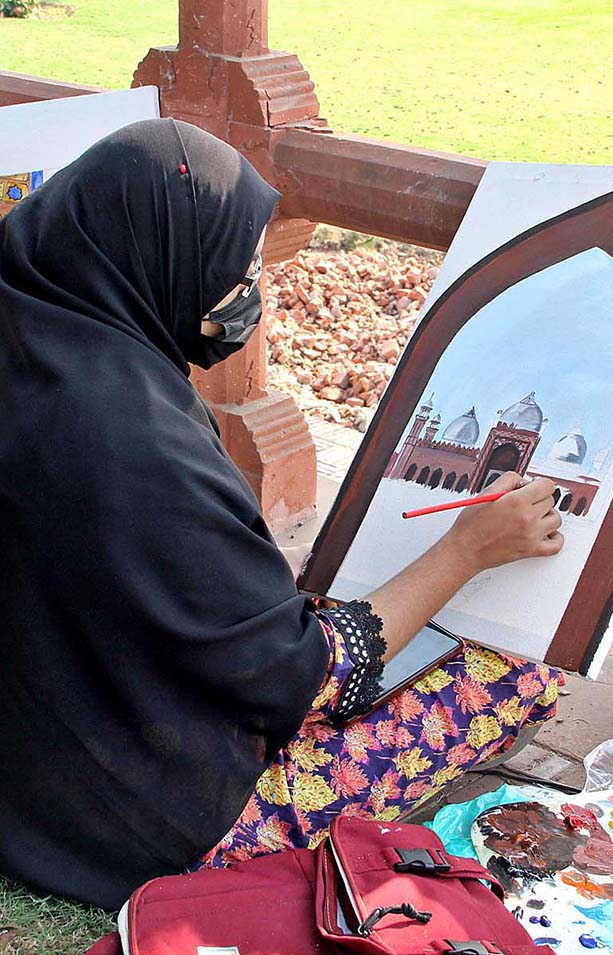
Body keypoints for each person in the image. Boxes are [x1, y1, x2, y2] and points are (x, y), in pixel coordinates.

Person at [0, 118, 564, 910]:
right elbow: (303, 678)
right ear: (160, 258)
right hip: (148, 817)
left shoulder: (35, 326)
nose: (246, 298)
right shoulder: (133, 438)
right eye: (234, 273)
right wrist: (465, 551)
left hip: (30, 765)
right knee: (517, 675)